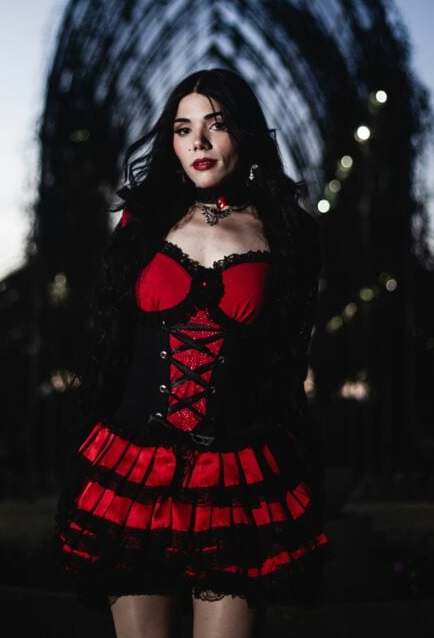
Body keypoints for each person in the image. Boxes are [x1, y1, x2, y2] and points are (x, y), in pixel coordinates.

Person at [55, 68, 332, 638]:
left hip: (235, 472)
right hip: (134, 465)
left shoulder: (290, 234)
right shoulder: (142, 221)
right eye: (183, 129)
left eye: (216, 125)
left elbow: (287, 360)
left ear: (246, 135)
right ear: (171, 140)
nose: (198, 143)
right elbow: (113, 340)